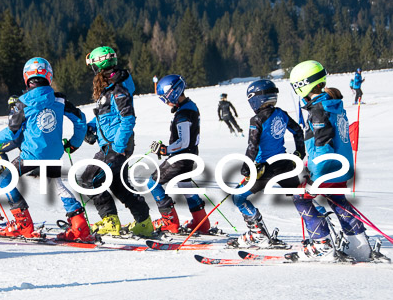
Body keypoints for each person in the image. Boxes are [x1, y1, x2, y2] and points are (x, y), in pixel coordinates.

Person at [0, 57, 94, 242]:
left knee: (6, 178)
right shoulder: (60, 99)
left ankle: (23, 224)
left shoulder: (22, 102)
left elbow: (12, 133)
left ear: (26, 77)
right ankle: (80, 225)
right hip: (54, 154)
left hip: (32, 155)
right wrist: (74, 143)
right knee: (56, 184)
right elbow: (80, 119)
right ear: (49, 75)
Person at [289, 60, 377, 262]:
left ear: (303, 84)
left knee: (301, 198)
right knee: (338, 201)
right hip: (341, 165)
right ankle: (360, 246)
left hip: (327, 168)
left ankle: (322, 244)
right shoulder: (332, 104)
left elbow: (323, 147)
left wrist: (315, 179)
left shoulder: (318, 109)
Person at [79, 46, 153, 237]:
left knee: (89, 179)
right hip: (111, 144)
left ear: (98, 65)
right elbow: (107, 116)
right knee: (118, 185)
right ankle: (144, 222)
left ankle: (110, 221)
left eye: (93, 66)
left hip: (116, 145)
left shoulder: (118, 89)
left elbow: (128, 118)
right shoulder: (111, 86)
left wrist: (118, 147)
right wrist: (91, 127)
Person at [227, 79, 304, 248]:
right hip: (285, 165)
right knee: (301, 198)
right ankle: (322, 234)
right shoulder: (282, 113)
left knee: (238, 197)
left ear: (256, 99)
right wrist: (299, 153)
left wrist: (246, 168)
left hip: (265, 169)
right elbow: (298, 131)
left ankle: (257, 234)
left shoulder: (256, 120)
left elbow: (252, 147)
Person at [146, 74, 212, 235]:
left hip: (180, 157)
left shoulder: (183, 114)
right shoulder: (190, 106)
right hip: (190, 156)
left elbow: (184, 141)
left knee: (152, 182)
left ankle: (170, 221)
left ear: (173, 93)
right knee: (185, 186)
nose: (165, 103)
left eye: (164, 99)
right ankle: (201, 222)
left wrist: (164, 149)